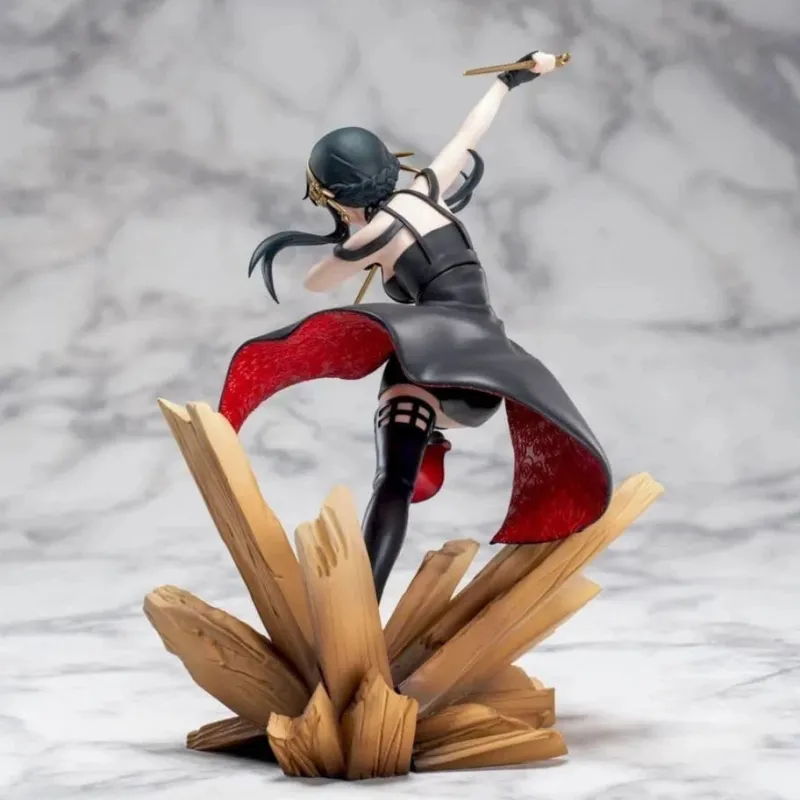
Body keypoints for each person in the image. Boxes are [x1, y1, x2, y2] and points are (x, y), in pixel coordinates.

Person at [218, 51, 612, 602]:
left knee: (392, 478)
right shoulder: (426, 189)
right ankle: (430, 438)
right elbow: (470, 133)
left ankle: (362, 605)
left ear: (335, 198)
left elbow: (316, 283)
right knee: (409, 367)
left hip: (436, 368)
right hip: (492, 375)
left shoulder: (370, 237)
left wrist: (353, 241)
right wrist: (510, 78)